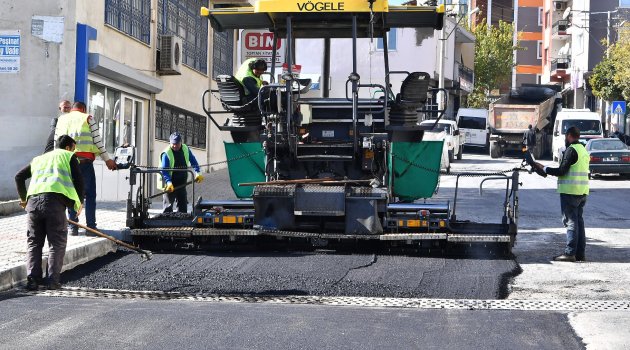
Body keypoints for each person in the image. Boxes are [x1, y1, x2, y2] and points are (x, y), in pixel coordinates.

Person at [15, 135, 85, 290]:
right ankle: (52, 281)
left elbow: (19, 177)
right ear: (68, 147)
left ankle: (33, 280)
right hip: (54, 203)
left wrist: (23, 199)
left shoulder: (40, 159)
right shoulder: (68, 156)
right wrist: (79, 203)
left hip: (33, 204)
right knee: (56, 242)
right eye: (74, 148)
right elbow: (79, 180)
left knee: (34, 242)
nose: (74, 151)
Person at [54, 101, 117, 235]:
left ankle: (73, 227)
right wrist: (108, 160)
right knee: (90, 195)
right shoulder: (88, 118)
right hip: (84, 164)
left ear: (73, 109)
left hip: (67, 163)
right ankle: (91, 228)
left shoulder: (62, 119)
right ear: (83, 109)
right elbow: (97, 142)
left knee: (71, 194)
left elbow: (57, 142)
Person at [534, 126, 589, 262]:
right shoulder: (583, 149)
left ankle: (570, 253)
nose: (565, 139)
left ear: (569, 135)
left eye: (566, 136)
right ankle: (580, 254)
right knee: (579, 223)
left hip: (570, 192)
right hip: (582, 192)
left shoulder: (571, 150)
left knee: (571, 222)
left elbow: (562, 171)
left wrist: (544, 168)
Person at [160, 132, 203, 213]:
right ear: (170, 142)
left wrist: (198, 172)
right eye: (173, 144)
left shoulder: (185, 149)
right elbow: (164, 170)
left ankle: (182, 223)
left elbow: (193, 161)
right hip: (170, 185)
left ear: (181, 142)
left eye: (177, 143)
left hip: (182, 184)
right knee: (168, 208)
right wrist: (168, 182)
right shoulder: (166, 153)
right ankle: (166, 222)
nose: (175, 146)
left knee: (183, 207)